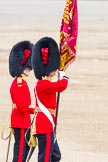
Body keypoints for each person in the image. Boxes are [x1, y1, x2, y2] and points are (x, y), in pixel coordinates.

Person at [32, 37, 69, 162]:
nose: (54, 72)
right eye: (52, 70)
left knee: (55, 156)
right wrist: (65, 76)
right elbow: (61, 86)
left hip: (48, 123)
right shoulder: (43, 84)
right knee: (45, 157)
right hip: (45, 125)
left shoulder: (44, 83)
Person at [9, 40, 35, 162]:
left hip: (23, 121)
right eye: (28, 68)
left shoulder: (21, 83)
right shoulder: (19, 84)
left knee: (25, 149)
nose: (30, 70)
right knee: (20, 152)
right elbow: (22, 106)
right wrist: (35, 109)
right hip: (20, 121)